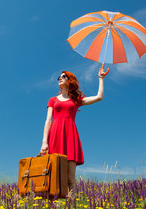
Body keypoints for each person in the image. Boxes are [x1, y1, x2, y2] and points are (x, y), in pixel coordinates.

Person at [39, 67, 109, 196]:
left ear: (70, 80)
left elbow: (99, 97)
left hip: (70, 136)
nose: (60, 78)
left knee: (70, 178)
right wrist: (44, 142)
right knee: (53, 176)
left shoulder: (76, 100)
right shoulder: (52, 100)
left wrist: (101, 78)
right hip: (55, 135)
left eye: (64, 76)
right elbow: (48, 120)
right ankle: (53, 203)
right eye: (59, 77)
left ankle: (71, 203)